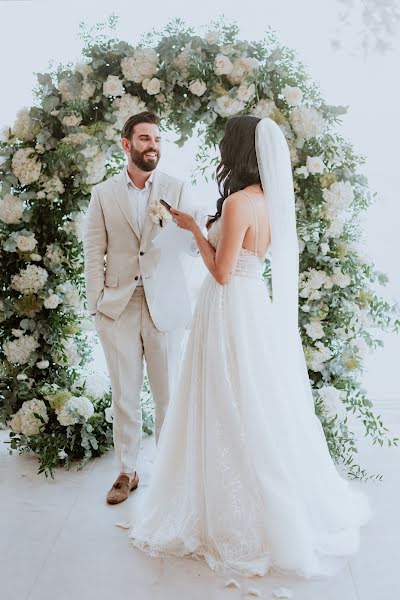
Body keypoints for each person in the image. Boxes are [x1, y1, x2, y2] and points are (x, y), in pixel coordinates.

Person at [128, 115, 371, 578]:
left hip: (227, 307)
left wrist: (193, 230)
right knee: (256, 400)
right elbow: (247, 259)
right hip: (254, 303)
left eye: (225, 143)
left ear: (236, 150)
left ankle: (234, 512)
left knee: (226, 400)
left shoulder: (238, 201)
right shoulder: (269, 200)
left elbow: (220, 271)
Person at [84, 111, 199, 505]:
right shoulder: (103, 193)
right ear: (126, 144)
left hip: (163, 303)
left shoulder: (177, 188)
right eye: (145, 138)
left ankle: (168, 473)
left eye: (158, 139)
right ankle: (126, 471)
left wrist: (188, 231)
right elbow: (93, 249)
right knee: (125, 394)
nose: (153, 145)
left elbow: (189, 247)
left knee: (168, 395)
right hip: (117, 307)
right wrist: (97, 304)